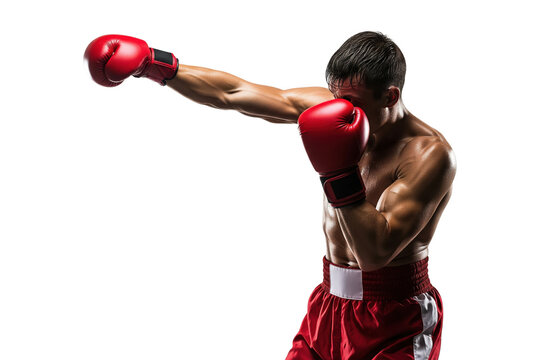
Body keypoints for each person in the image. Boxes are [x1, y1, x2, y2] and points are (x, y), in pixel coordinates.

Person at [84, 31, 456, 360]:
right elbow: (236, 93)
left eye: (353, 102)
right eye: (335, 97)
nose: (342, 111)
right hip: (329, 304)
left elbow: (373, 254)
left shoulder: (429, 155)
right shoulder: (337, 109)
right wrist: (155, 64)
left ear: (390, 95)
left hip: (395, 319)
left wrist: (337, 171)